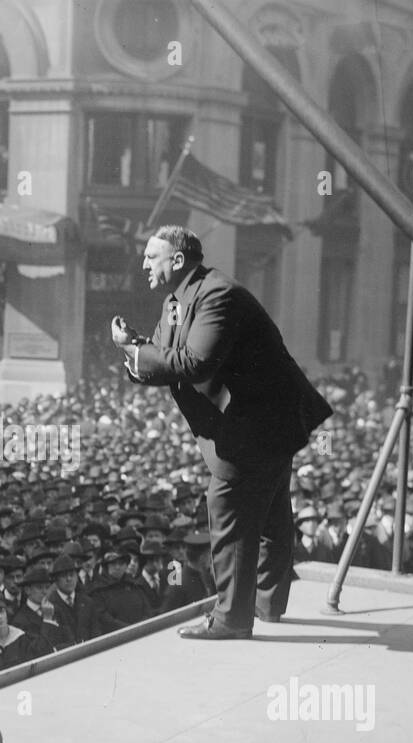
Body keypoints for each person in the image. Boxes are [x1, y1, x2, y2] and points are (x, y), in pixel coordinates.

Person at [113, 225, 332, 639]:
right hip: (262, 420)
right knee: (269, 511)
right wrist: (136, 348)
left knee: (228, 504)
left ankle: (232, 618)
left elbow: (195, 363)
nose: (143, 264)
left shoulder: (217, 294)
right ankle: (269, 604)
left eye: (150, 257)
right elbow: (163, 358)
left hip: (255, 424)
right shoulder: (178, 299)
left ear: (177, 261)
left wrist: (135, 351)